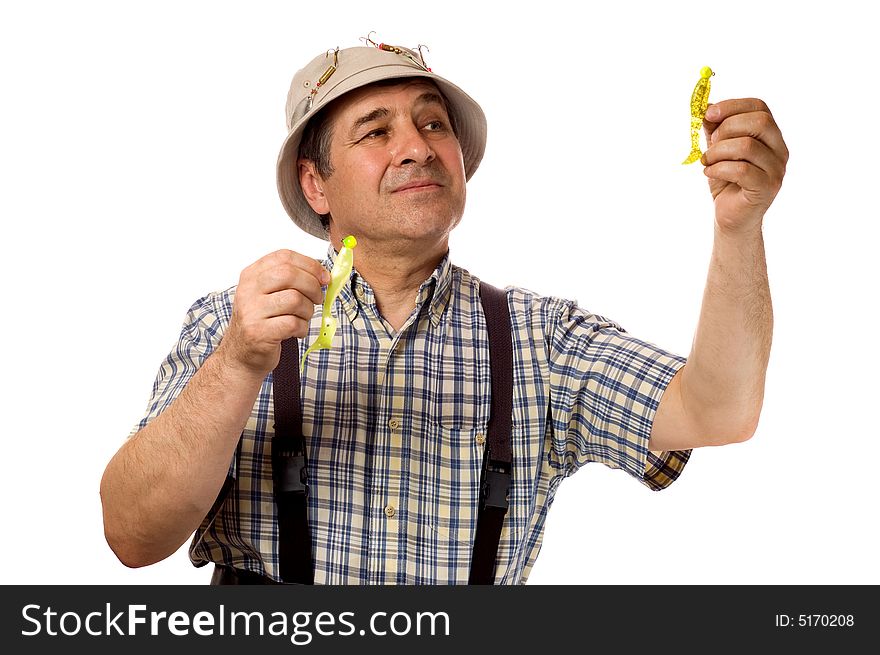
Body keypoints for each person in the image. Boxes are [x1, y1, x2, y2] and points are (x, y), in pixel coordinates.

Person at [100, 39, 788, 585]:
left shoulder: (538, 339)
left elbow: (720, 407)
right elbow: (132, 534)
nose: (417, 145)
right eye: (375, 130)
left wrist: (739, 225)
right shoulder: (237, 324)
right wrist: (237, 364)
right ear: (316, 184)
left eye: (433, 122)